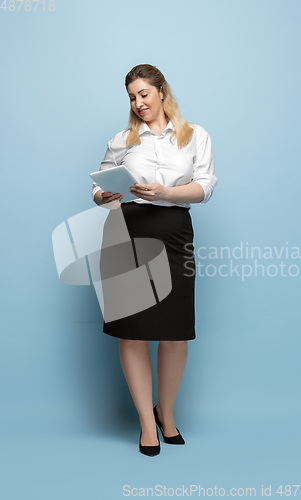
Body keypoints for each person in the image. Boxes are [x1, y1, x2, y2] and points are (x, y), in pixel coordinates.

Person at [92, 64, 217, 457]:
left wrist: (164, 191)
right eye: (132, 97)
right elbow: (98, 188)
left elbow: (205, 187)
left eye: (144, 93)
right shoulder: (121, 139)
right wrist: (104, 197)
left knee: (175, 331)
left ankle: (167, 413)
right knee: (132, 331)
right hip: (126, 232)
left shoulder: (196, 135)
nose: (138, 103)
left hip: (174, 232)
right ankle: (147, 423)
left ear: (162, 91)